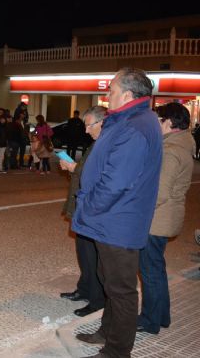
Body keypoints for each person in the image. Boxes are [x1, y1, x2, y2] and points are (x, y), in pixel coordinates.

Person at [73, 67, 162, 358]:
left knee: (121, 289)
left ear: (126, 95)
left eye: (110, 90)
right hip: (111, 220)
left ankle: (117, 350)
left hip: (117, 221)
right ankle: (106, 333)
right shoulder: (129, 119)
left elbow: (115, 182)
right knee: (109, 280)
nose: (106, 95)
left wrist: (88, 208)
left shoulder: (135, 126)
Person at [137, 103, 194, 335]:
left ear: (169, 122)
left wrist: (137, 211)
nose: (156, 124)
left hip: (157, 219)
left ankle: (150, 320)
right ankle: (161, 316)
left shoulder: (171, 151)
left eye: (159, 120)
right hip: (165, 217)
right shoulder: (180, 146)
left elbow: (158, 192)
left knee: (150, 271)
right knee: (156, 270)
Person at [58, 106, 107, 317]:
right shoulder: (96, 144)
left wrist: (73, 169)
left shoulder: (106, 146)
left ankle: (97, 301)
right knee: (84, 252)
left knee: (93, 256)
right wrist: (76, 168)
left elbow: (97, 176)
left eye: (89, 125)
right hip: (83, 207)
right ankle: (85, 289)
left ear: (102, 123)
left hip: (92, 209)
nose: (86, 130)